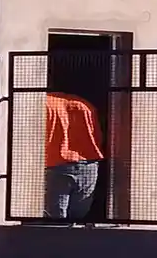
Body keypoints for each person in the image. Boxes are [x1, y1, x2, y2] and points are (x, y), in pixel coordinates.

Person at [45, 91, 105, 221]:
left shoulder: (43, 104)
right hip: (88, 164)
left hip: (56, 163)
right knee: (79, 218)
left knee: (55, 217)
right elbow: (97, 136)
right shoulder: (84, 105)